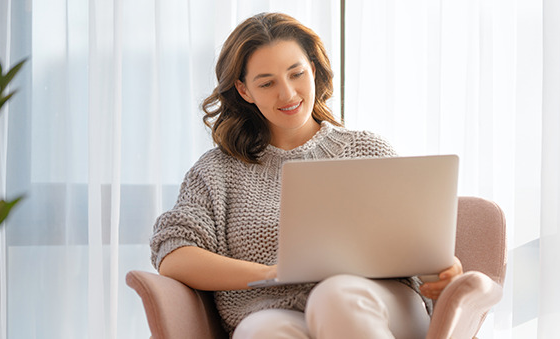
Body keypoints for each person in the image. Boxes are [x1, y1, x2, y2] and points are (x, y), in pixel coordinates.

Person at [150, 12, 463, 339]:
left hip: (380, 304)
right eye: (267, 83)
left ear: (312, 70)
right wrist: (273, 273)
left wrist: (444, 267)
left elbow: (418, 241)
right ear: (244, 90)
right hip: (273, 310)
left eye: (296, 74)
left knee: (335, 297)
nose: (287, 94)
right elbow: (174, 254)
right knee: (260, 331)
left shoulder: (366, 149)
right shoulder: (217, 170)